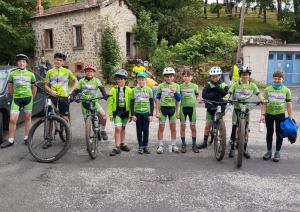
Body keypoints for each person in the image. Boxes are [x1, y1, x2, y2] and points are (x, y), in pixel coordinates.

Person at [224, 66, 266, 158]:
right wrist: (226, 97)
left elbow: (259, 94)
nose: (245, 76)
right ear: (240, 76)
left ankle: (244, 149)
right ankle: (232, 148)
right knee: (234, 127)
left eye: (246, 74)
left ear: (249, 75)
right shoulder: (235, 84)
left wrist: (263, 100)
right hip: (237, 108)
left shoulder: (252, 85)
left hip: (246, 109)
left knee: (246, 129)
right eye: (243, 75)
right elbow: (229, 93)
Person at [0, 54, 37, 148]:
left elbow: (34, 87)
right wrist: (14, 96)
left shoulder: (30, 74)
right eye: (19, 61)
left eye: (23, 61)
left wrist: (32, 97)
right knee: (12, 119)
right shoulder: (12, 74)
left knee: (27, 117)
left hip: (28, 98)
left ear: (26, 64)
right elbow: (10, 87)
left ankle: (27, 137)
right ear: (17, 63)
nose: (21, 63)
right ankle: (10, 139)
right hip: (16, 99)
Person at [69, 63, 109, 140]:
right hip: (84, 103)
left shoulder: (96, 80)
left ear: (94, 73)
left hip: (94, 102)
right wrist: (72, 96)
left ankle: (103, 130)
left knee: (103, 115)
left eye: (91, 71)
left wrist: (105, 94)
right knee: (87, 123)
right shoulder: (81, 81)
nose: (89, 73)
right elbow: (76, 90)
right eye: (87, 71)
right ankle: (89, 137)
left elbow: (101, 88)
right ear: (85, 72)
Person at [260, 70, 293, 162]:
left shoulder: (286, 90)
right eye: (275, 79)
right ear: (272, 78)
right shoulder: (267, 89)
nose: (277, 80)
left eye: (279, 79)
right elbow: (264, 104)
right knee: (269, 133)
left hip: (280, 114)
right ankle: (269, 152)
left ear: (283, 79)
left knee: (279, 134)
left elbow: (289, 105)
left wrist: (290, 118)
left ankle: (277, 152)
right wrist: (263, 115)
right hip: (269, 114)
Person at [198, 66, 228, 149]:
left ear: (219, 76)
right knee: (208, 125)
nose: (214, 78)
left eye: (216, 76)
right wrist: (215, 94)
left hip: (220, 106)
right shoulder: (209, 84)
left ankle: (222, 141)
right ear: (211, 77)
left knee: (221, 126)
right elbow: (204, 95)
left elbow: (226, 95)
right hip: (211, 106)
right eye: (213, 77)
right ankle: (204, 142)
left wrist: (218, 88)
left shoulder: (223, 85)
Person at [44, 52, 78, 122]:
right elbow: (46, 86)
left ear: (63, 62)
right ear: (54, 60)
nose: (58, 62)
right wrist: (51, 91)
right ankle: (47, 133)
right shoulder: (49, 72)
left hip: (63, 96)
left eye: (60, 60)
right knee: (49, 117)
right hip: (52, 95)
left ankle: (68, 132)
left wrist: (71, 91)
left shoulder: (67, 71)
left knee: (64, 118)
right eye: (57, 60)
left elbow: (76, 81)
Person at [155, 67, 181, 154]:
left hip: (172, 109)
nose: (169, 78)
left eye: (170, 76)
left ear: (173, 77)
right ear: (164, 77)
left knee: (173, 128)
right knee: (161, 128)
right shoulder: (161, 86)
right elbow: (157, 99)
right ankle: (160, 145)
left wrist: (175, 92)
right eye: (167, 76)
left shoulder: (177, 86)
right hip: (163, 108)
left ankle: (173, 145)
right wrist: (157, 111)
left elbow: (178, 99)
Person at [108, 69, 132, 156]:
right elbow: (110, 102)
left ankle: (122, 144)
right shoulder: (113, 90)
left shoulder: (129, 90)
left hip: (125, 111)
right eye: (118, 79)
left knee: (123, 128)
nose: (120, 80)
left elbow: (131, 102)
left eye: (122, 79)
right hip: (117, 111)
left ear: (125, 80)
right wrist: (110, 114)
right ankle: (117, 147)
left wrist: (131, 114)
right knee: (118, 128)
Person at [178, 69, 202, 153]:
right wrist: (177, 112)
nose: (187, 78)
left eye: (188, 76)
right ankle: (183, 144)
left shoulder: (195, 86)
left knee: (193, 127)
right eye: (185, 76)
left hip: (192, 109)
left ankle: (194, 144)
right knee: (183, 127)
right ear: (182, 77)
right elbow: (177, 99)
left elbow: (197, 95)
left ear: (191, 77)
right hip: (183, 108)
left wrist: (199, 99)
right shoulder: (180, 86)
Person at [130, 72, 154, 154]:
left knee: (146, 130)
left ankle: (145, 145)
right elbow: (132, 103)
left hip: (146, 113)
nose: (141, 81)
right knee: (139, 130)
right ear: (137, 80)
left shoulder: (149, 90)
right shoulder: (134, 90)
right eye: (139, 80)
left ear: (145, 80)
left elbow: (151, 103)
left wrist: (151, 115)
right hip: (137, 113)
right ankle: (140, 146)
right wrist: (133, 114)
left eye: (142, 80)